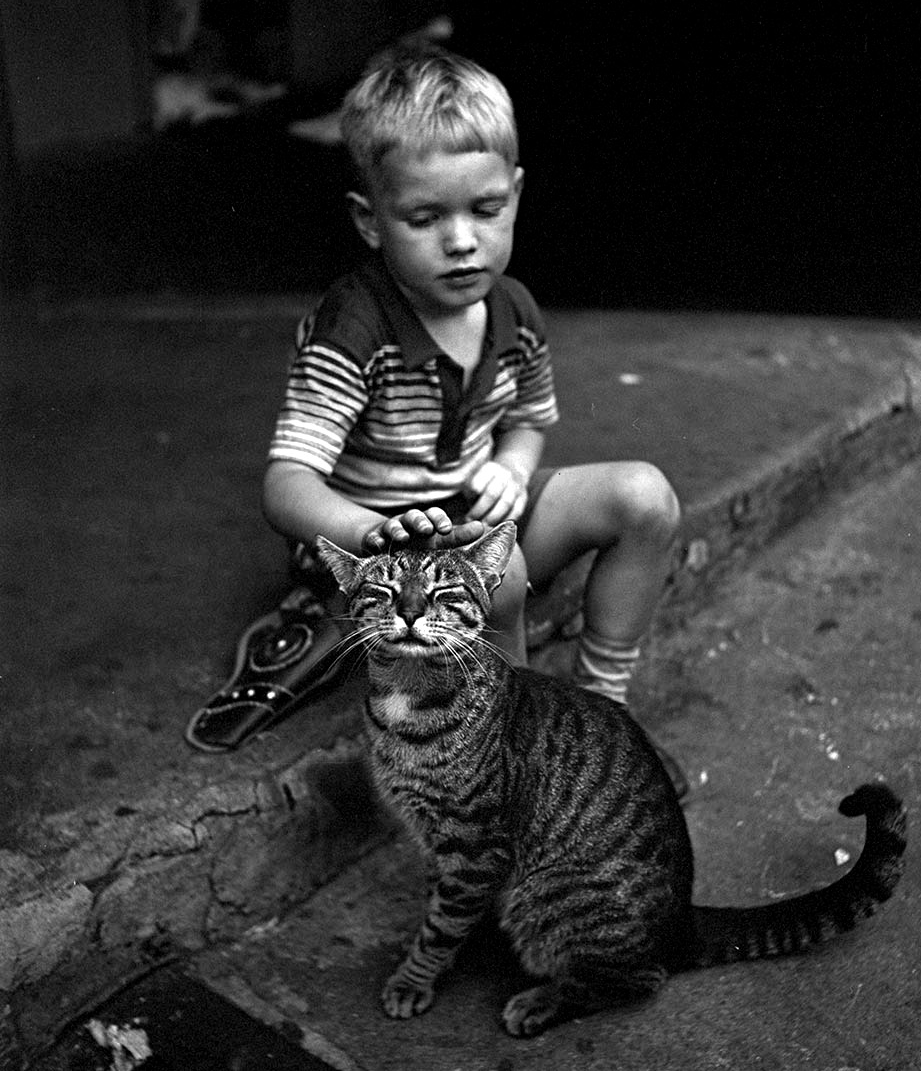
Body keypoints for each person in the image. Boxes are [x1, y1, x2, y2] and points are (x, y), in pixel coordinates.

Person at [186, 45, 685, 794]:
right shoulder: (353, 331)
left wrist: (512, 471)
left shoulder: (513, 309)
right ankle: (517, 752)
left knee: (645, 496)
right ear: (370, 221)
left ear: (514, 193)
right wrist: (368, 534)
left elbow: (524, 421)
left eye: (485, 209)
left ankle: (602, 714)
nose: (461, 241)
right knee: (501, 574)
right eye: (424, 217)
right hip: (379, 554)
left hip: (469, 523)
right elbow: (286, 487)